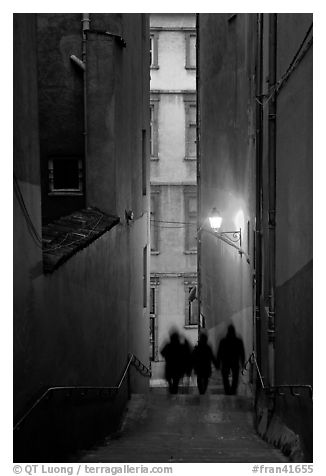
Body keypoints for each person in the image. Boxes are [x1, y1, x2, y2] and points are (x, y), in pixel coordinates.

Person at [216, 324, 245, 395]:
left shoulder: (223, 341)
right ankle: (233, 390)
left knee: (225, 377)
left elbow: (219, 353)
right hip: (235, 361)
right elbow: (242, 353)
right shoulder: (238, 341)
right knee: (235, 377)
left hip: (225, 361)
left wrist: (218, 363)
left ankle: (227, 390)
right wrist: (242, 362)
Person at [161, 329, 188, 394]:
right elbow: (186, 352)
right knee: (176, 383)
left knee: (170, 382)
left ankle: (171, 391)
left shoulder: (168, 345)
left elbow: (162, 353)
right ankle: (174, 392)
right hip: (178, 369)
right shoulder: (180, 346)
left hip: (169, 368)